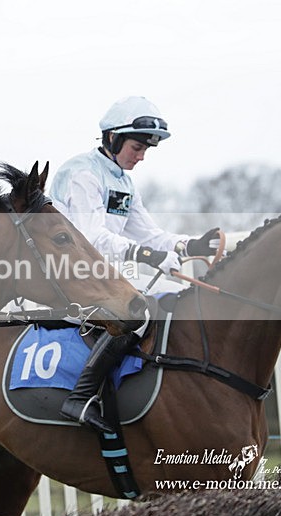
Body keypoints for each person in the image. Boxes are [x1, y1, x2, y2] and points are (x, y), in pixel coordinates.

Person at [48, 95, 220, 432]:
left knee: (169, 302)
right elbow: (89, 238)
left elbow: (147, 233)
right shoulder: (82, 173)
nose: (141, 156)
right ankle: (79, 399)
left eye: (145, 150)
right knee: (138, 312)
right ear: (113, 138)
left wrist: (186, 245)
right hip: (68, 275)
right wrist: (144, 256)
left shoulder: (123, 181)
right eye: (136, 147)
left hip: (101, 274)